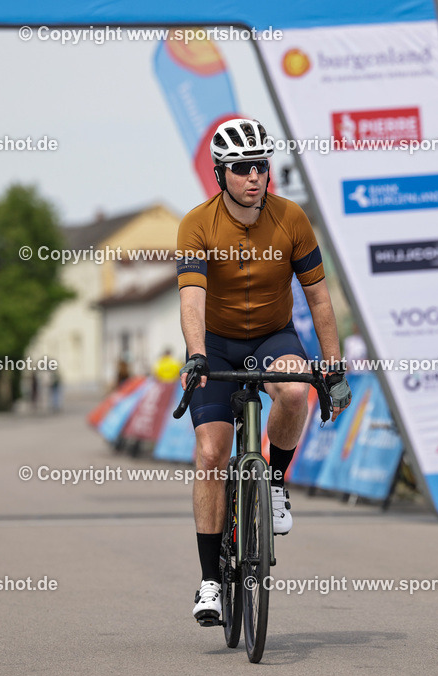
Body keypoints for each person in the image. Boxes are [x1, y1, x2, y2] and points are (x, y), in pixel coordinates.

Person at [177, 118, 352, 624]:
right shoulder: (197, 224)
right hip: (216, 343)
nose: (253, 176)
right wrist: (196, 354)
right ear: (220, 174)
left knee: (295, 392)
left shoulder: (291, 218)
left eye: (260, 165)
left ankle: (274, 482)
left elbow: (319, 297)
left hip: (273, 336)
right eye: (241, 168)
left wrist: (332, 363)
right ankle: (210, 582)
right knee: (212, 452)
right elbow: (192, 298)